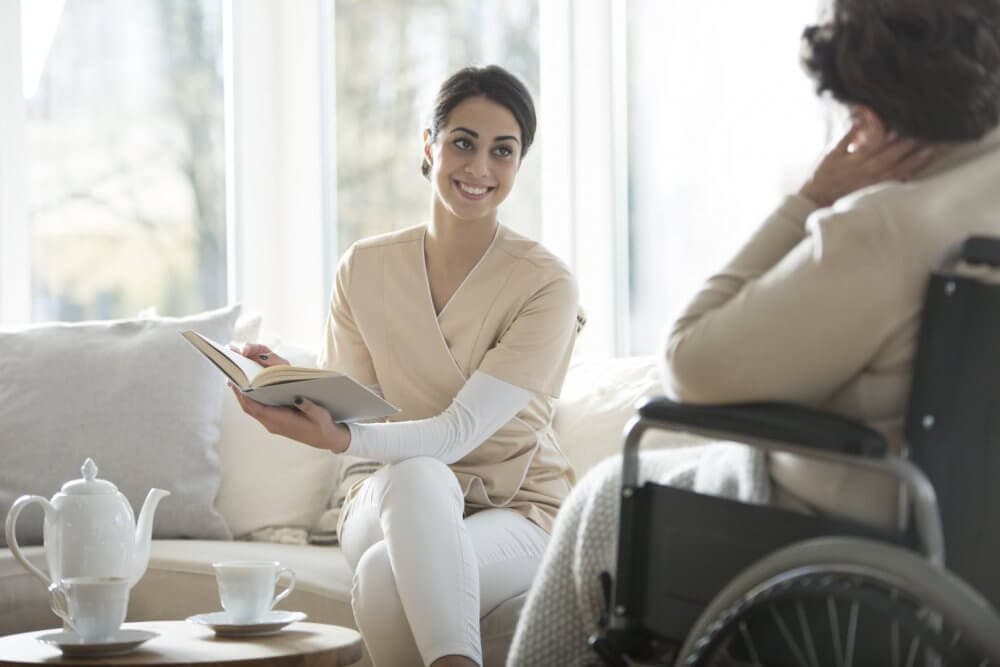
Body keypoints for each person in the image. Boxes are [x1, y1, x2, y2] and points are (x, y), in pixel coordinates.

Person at [507, 0, 1000, 663]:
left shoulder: (888, 229)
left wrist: (810, 201)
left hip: (853, 537)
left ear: (875, 119)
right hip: (974, 547)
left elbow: (688, 358)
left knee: (599, 497)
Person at [231, 65, 581, 667]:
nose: (479, 168)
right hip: (385, 493)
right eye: (463, 142)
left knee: (387, 576)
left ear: (520, 163)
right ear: (429, 144)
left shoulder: (545, 284)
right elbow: (355, 403)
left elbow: (457, 434)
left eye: (503, 151)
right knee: (420, 477)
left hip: (518, 510)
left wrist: (339, 436)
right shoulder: (364, 268)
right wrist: (295, 387)